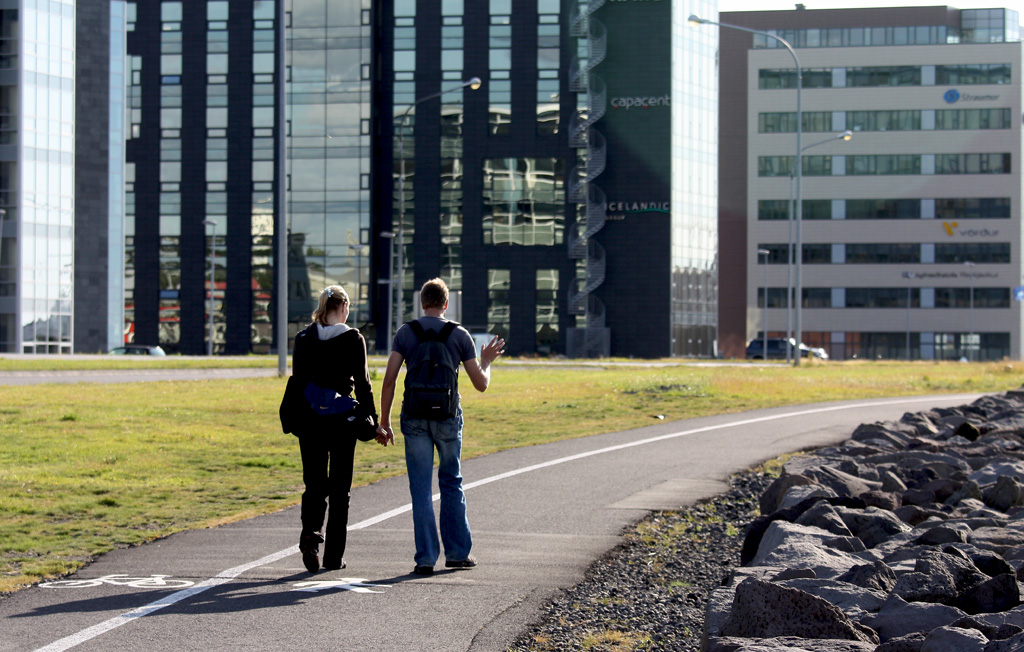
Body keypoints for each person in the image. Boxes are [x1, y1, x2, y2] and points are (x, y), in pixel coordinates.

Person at [378, 278, 504, 576]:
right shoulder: (459, 334)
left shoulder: (405, 333)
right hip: (447, 417)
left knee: (420, 489)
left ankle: (425, 558)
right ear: (446, 304)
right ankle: (458, 553)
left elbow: (389, 380)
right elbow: (481, 384)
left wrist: (384, 421)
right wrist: (486, 361)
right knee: (451, 482)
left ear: (422, 303)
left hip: (414, 418)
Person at [289, 285, 377, 573]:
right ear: (344, 307)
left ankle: (310, 538)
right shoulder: (353, 339)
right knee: (340, 489)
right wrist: (373, 422)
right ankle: (333, 557)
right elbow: (363, 384)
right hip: (341, 422)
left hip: (310, 420)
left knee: (314, 484)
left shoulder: (303, 338)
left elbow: (297, 381)